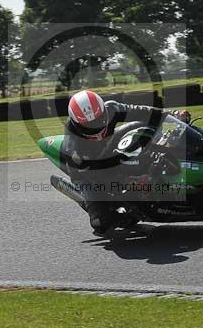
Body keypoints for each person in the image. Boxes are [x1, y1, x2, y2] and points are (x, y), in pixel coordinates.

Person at [61, 90, 190, 234]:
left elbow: (143, 112)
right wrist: (129, 181)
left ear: (104, 112)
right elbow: (97, 176)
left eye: (97, 121)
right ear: (76, 123)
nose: (95, 127)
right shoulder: (73, 147)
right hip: (87, 174)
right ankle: (95, 204)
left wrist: (173, 114)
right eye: (88, 125)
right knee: (101, 223)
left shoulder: (112, 109)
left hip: (108, 149)